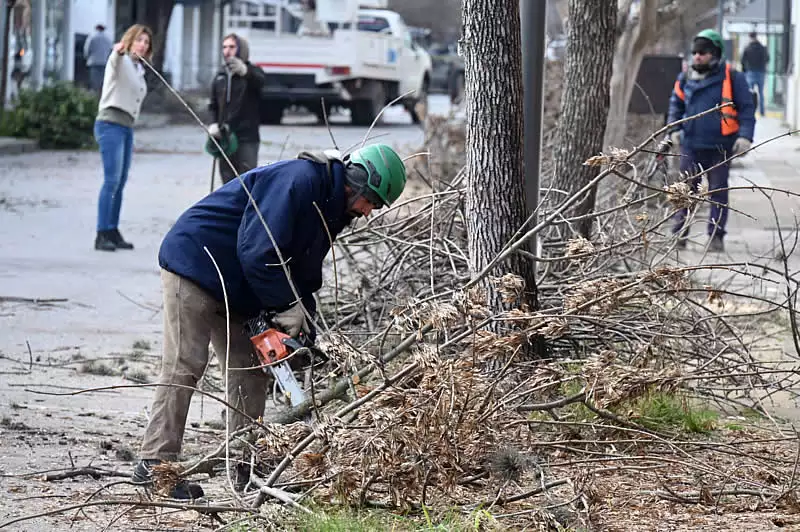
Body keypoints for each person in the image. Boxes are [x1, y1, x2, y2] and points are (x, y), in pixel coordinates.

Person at [131, 144, 408, 499]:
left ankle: (247, 467)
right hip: (196, 264)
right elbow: (259, 251)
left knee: (249, 370)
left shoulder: (333, 208)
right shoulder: (299, 182)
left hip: (241, 285)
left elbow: (303, 269)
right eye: (370, 201)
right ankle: (154, 465)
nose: (368, 212)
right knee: (186, 363)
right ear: (357, 180)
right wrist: (284, 305)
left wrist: (303, 319)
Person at [664, 29, 756, 253]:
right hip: (691, 146)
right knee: (685, 192)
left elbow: (746, 108)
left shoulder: (732, 77)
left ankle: (716, 237)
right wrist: (674, 129)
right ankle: (680, 235)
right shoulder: (685, 78)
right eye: (695, 52)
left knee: (717, 192)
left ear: (714, 53)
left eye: (703, 52)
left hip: (720, 146)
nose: (697, 56)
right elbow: (675, 105)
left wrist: (745, 137)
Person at [93, 24, 152, 252]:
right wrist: (118, 51)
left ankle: (112, 229)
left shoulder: (139, 68)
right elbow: (115, 61)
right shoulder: (121, 60)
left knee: (121, 182)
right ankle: (101, 233)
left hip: (127, 126)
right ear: (130, 41)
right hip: (110, 123)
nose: (143, 46)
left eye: (146, 43)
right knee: (111, 181)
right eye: (139, 40)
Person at [208, 34, 267, 185]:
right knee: (227, 183)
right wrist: (213, 123)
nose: (227, 51)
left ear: (241, 49)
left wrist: (246, 72)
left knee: (247, 182)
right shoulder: (220, 76)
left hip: (247, 138)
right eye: (224, 47)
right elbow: (213, 104)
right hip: (225, 138)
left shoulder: (253, 72)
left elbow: (263, 85)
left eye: (232, 47)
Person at [741, 31, 769, 117]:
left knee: (750, 93)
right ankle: (762, 111)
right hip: (761, 72)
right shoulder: (762, 48)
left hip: (750, 72)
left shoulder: (747, 48)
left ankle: (750, 111)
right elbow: (767, 58)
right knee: (761, 93)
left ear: (750, 37)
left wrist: (745, 70)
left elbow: (742, 60)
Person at [84, 24, 113, 93]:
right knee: (103, 83)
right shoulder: (108, 39)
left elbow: (87, 49)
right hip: (104, 63)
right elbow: (111, 51)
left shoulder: (92, 37)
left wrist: (86, 58)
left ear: (96, 28)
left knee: (94, 83)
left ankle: (93, 98)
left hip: (94, 63)